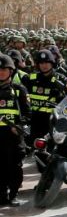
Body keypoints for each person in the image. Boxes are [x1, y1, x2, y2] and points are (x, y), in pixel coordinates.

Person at [0, 54, 30, 206]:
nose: (1, 72)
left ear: (10, 71)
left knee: (14, 167)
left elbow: (27, 114)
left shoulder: (19, 90)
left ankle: (13, 194)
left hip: (13, 136)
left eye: (4, 69)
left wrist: (19, 126)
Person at [23, 49, 67, 148]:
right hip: (34, 120)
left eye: (47, 62)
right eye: (41, 63)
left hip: (51, 121)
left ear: (52, 63)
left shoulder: (60, 79)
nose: (44, 65)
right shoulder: (30, 79)